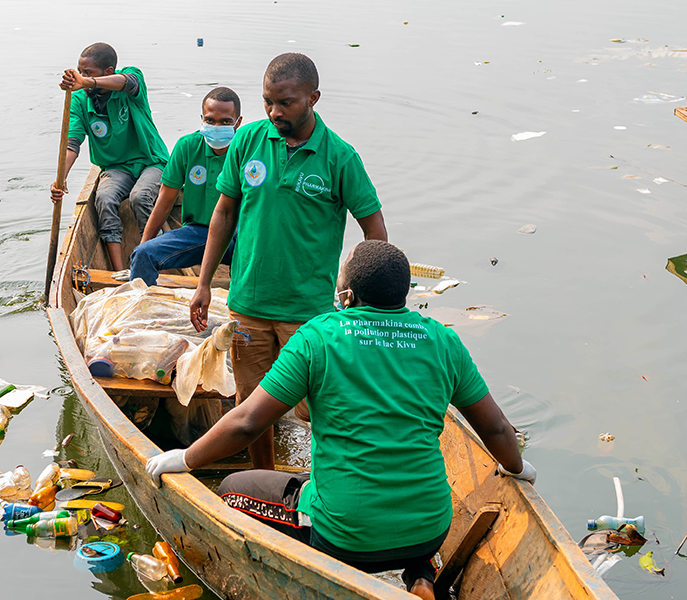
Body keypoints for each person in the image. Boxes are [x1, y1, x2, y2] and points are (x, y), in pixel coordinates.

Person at [149, 241, 538, 600]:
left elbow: (248, 422)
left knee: (233, 488)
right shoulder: (442, 340)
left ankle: (301, 574)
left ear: (347, 295)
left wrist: (185, 458)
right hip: (430, 530)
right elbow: (497, 428)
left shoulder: (318, 336)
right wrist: (517, 468)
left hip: (344, 537)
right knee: (386, 497)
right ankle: (420, 575)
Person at [188, 53, 388, 470]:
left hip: (309, 313)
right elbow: (224, 213)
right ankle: (266, 483)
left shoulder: (339, 157)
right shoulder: (248, 141)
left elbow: (375, 232)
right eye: (268, 102)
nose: (275, 112)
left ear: (313, 97)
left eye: (287, 102)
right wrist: (204, 282)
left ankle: (326, 486)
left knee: (319, 407)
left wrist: (363, 298)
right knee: (250, 407)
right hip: (249, 306)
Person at [50, 42, 170, 272]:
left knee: (140, 197)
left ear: (108, 72)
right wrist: (60, 179)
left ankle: (154, 263)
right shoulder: (79, 100)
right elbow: (73, 143)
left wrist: (86, 82)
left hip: (151, 161)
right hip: (116, 167)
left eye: (88, 72)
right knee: (104, 197)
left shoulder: (131, 78)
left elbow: (128, 82)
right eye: (80, 71)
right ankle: (118, 272)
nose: (82, 78)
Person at [128, 87, 243, 286]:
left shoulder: (247, 149)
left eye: (225, 122)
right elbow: (164, 203)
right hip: (199, 233)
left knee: (251, 269)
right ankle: (145, 312)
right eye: (210, 120)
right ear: (202, 119)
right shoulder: (187, 146)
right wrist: (143, 246)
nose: (216, 126)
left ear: (238, 123)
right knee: (143, 255)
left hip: (239, 234)